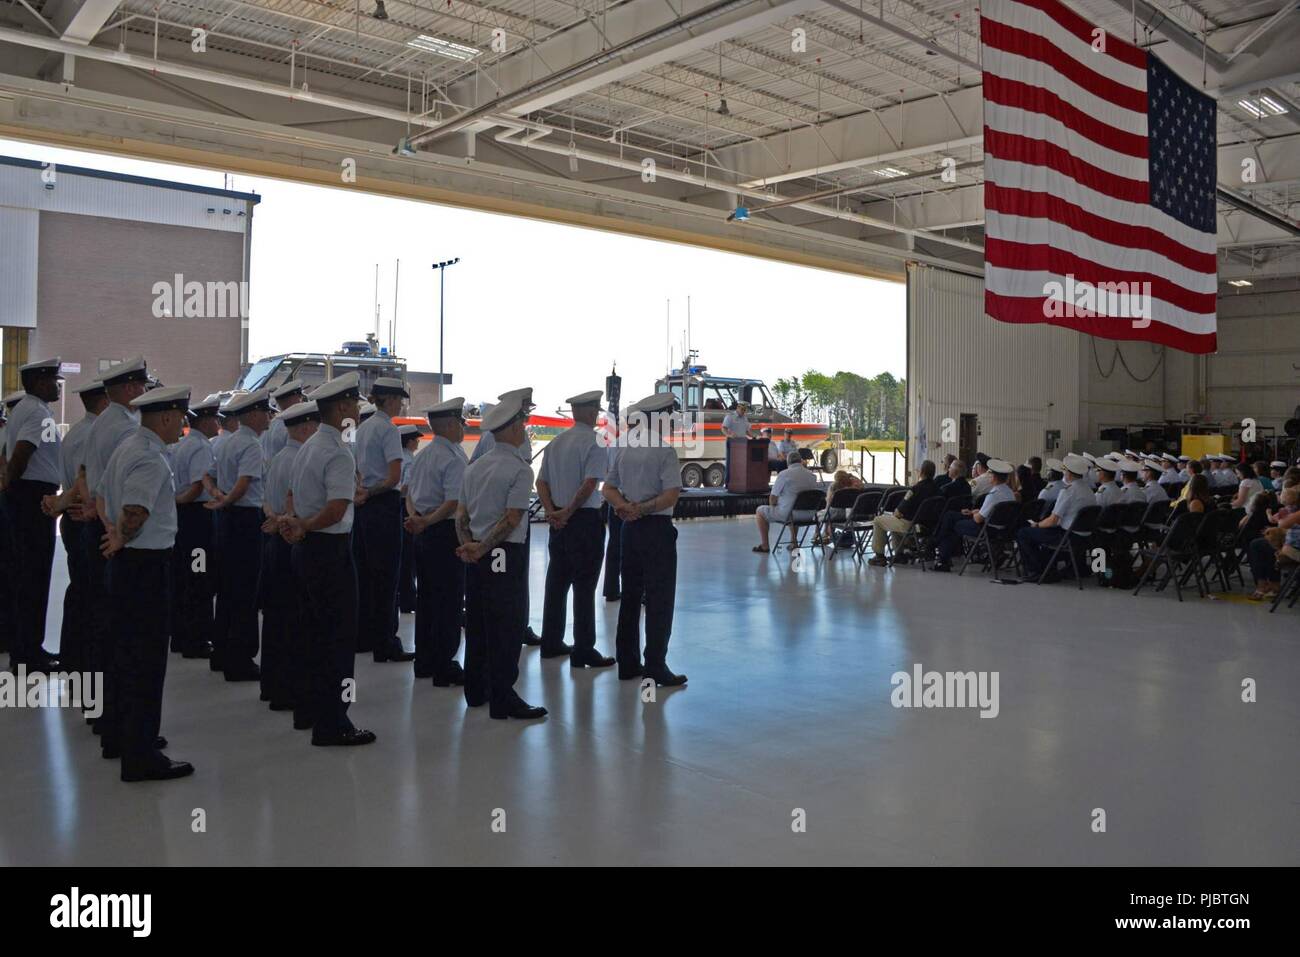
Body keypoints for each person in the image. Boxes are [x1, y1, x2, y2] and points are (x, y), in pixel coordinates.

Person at [96, 384, 195, 781]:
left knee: (123, 654)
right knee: (146, 661)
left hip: (126, 565)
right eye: (180, 418)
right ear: (167, 417)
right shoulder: (150, 458)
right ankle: (141, 756)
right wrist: (122, 533)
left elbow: (102, 496)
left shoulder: (127, 447)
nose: (183, 425)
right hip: (145, 566)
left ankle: (120, 737)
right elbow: (134, 512)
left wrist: (112, 532)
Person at [280, 373, 377, 746]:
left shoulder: (309, 446)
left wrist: (297, 524)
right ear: (341, 408)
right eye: (353, 404)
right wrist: (304, 525)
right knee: (337, 639)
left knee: (311, 634)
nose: (356, 409)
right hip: (329, 551)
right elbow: (337, 509)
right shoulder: (336, 450)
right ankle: (334, 722)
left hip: (307, 552)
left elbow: (295, 493)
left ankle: (308, 710)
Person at [456, 391, 547, 719]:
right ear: (511, 429)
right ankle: (503, 698)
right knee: (506, 625)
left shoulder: (474, 468)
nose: (525, 426)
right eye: (522, 422)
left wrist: (470, 547)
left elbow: (461, 516)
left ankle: (475, 691)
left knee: (478, 623)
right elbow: (512, 519)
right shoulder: (520, 470)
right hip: (503, 553)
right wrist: (483, 548)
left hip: (476, 554)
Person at [82, 357, 149, 734]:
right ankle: (120, 721)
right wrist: (117, 533)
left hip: (101, 528)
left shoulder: (102, 422)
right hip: (116, 532)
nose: (143, 392)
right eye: (140, 386)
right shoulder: (124, 428)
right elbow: (123, 493)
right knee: (123, 633)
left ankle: (103, 714)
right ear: (127, 390)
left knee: (103, 625)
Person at [602, 393, 686, 685]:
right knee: (660, 599)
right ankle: (655, 665)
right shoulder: (664, 451)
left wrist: (624, 507)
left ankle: (627, 662)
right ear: (660, 417)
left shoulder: (624, 446)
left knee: (631, 597)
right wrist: (643, 508)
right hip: (656, 530)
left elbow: (607, 488)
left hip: (630, 529)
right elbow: (671, 495)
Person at [537, 390, 615, 667]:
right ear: (592, 411)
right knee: (584, 586)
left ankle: (551, 641)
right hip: (583, 522)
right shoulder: (595, 442)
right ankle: (583, 649)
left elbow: (541, 483)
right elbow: (590, 484)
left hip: (559, 522)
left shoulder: (556, 443)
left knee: (556, 583)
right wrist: (568, 512)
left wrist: (552, 512)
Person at [40, 378, 107, 674]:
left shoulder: (78, 431)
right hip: (83, 516)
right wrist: (61, 505)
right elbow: (85, 483)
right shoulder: (92, 434)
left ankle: (75, 659)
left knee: (81, 590)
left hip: (75, 516)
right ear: (105, 401)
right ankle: (78, 661)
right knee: (87, 594)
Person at [259, 400, 319, 712]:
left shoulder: (279, 458)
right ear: (307, 427)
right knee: (295, 620)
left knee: (275, 617)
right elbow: (297, 506)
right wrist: (286, 521)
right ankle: (290, 691)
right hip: (292, 539)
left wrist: (274, 518)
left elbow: (268, 503)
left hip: (274, 540)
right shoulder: (302, 461)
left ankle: (272, 686)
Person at [469, 388, 542, 646]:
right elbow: (513, 511)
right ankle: (515, 628)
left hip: (481, 530)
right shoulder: (515, 440)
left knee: (486, 594)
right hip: (506, 528)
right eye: (525, 411)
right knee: (511, 586)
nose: (527, 417)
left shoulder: (489, 438)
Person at [4, 357, 63, 670]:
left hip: (25, 495)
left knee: (26, 575)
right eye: (54, 381)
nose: (57, 386)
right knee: (33, 575)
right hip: (32, 498)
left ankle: (26, 649)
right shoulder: (37, 413)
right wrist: (12, 486)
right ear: (41, 383)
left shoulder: (26, 409)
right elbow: (21, 454)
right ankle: (28, 654)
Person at [208, 388, 271, 681]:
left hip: (226, 518)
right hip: (244, 518)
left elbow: (207, 475)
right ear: (254, 414)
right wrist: (228, 499)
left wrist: (218, 496)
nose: (269, 416)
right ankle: (240, 660)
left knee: (227, 588)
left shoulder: (225, 442)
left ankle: (221, 652)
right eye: (266, 412)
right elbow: (245, 482)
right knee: (245, 590)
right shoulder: (252, 445)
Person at [405, 398, 469, 685]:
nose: (463, 427)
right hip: (444, 532)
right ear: (449, 425)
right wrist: (428, 520)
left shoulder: (423, 456)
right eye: (460, 422)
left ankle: (425, 660)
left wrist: (416, 518)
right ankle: (444, 665)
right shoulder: (453, 457)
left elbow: (408, 493)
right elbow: (453, 501)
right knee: (448, 601)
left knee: (427, 599)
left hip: (423, 532)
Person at [352, 376, 415, 663]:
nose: (401, 405)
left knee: (365, 574)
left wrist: (361, 492)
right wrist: (373, 491)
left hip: (363, 507)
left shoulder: (363, 429)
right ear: (389, 400)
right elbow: (394, 477)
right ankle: (386, 642)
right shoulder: (388, 430)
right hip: (383, 505)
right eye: (399, 400)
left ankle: (364, 636)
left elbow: (355, 469)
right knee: (387, 575)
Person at [168, 393, 221, 660]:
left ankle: (180, 636)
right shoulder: (200, 447)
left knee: (184, 577)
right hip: (196, 518)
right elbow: (199, 484)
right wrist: (182, 502)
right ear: (205, 421)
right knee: (199, 578)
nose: (218, 424)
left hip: (184, 518)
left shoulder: (182, 445)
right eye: (214, 419)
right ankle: (196, 639)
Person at [1017, 453, 1095, 582]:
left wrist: (1037, 525)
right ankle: (1047, 567)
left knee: (1023, 533)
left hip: (1068, 537)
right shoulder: (1089, 491)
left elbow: (1053, 520)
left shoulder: (1068, 491)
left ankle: (1036, 571)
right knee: (1043, 534)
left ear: (1068, 473)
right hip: (1085, 537)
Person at [932, 459, 1014, 571]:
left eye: (990, 475)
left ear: (994, 477)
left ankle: (942, 558)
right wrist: (974, 512)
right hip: (1002, 529)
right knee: (951, 516)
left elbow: (978, 519)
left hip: (986, 529)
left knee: (952, 522)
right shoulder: (1009, 493)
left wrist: (975, 514)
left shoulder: (994, 495)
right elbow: (992, 511)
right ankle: (941, 553)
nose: (988, 477)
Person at [868, 460, 939, 566]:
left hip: (912, 526)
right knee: (895, 523)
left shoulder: (915, 489)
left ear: (921, 472)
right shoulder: (938, 489)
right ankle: (899, 555)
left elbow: (899, 511)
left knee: (878, 520)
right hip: (930, 527)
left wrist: (898, 513)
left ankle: (879, 556)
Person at [753, 450, 820, 552]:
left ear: (788, 462)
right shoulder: (812, 476)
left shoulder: (784, 475)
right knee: (793, 506)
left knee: (760, 511)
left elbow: (773, 498)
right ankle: (794, 541)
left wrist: (774, 506)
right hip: (810, 515)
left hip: (790, 514)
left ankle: (765, 545)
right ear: (801, 461)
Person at [397, 424, 421, 615]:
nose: (418, 442)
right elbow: (407, 486)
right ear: (410, 441)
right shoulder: (410, 461)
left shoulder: (398, 458)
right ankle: (408, 598)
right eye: (416, 439)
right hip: (406, 506)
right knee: (408, 556)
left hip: (395, 507)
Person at [815, 469, 865, 545]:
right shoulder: (856, 488)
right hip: (852, 515)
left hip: (836, 515)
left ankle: (817, 535)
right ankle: (826, 534)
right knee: (831, 514)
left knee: (822, 514)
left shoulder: (835, 487)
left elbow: (828, 505)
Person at [262, 379, 306, 462]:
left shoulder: (271, 424)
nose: (301, 400)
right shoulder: (292, 426)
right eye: (299, 397)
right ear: (293, 399)